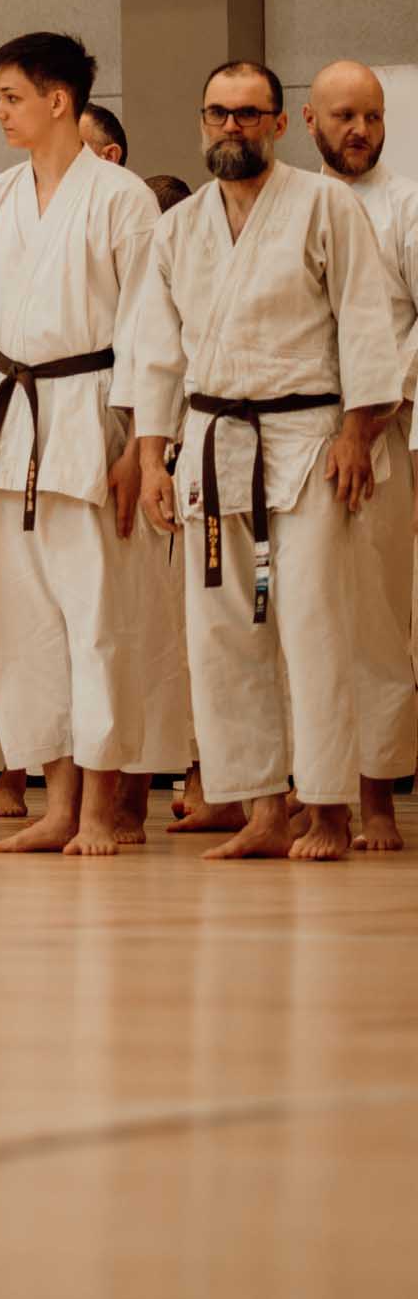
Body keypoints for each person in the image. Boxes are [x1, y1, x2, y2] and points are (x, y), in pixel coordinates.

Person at [119, 62, 408, 862]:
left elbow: (365, 325)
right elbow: (156, 355)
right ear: (202, 120)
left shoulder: (326, 206)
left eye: (250, 115)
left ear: (282, 125)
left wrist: (360, 431)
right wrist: (151, 461)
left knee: (314, 627)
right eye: (219, 114)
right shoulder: (177, 229)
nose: (232, 128)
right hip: (214, 446)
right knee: (222, 632)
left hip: (311, 441)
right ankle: (259, 807)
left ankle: (326, 808)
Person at [0, 34, 175, 857]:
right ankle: (55, 802)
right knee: (18, 624)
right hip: (9, 425)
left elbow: (151, 330)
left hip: (90, 414)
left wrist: (140, 448)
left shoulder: (120, 199)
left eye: (11, 96)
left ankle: (105, 807)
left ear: (58, 102)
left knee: (98, 618)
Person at [300, 61, 417, 849]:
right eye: (344, 116)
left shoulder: (405, 204)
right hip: (295, 439)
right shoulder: (287, 204)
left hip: (378, 436)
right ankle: (315, 793)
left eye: (372, 117)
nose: (361, 131)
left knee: (376, 619)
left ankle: (377, 796)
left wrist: (369, 423)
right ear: (308, 121)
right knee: (303, 621)